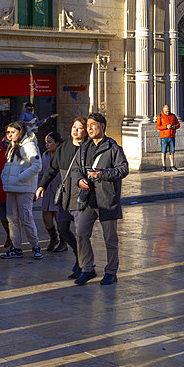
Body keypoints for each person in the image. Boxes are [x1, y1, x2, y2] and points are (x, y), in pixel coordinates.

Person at [70, 112, 129, 287]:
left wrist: (102, 174)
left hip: (107, 201)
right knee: (81, 233)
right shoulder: (84, 147)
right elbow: (75, 169)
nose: (89, 128)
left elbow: (123, 169)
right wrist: (79, 180)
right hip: (88, 199)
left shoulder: (112, 147)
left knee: (110, 239)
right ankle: (87, 269)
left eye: (93, 124)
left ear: (102, 126)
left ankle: (111, 272)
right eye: (87, 125)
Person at [36, 117, 87, 279]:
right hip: (65, 195)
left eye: (79, 128)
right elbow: (52, 168)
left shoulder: (88, 149)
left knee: (81, 233)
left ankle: (83, 264)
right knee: (63, 229)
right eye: (74, 126)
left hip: (81, 196)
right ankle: (78, 254)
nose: (75, 130)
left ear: (85, 131)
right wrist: (42, 185)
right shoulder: (64, 147)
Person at [0, 120, 43, 260]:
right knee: (12, 218)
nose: (10, 135)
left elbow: (36, 165)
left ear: (21, 132)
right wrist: (5, 177)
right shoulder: (12, 146)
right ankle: (16, 247)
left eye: (13, 132)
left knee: (26, 217)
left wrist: (20, 177)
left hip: (24, 188)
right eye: (8, 132)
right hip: (11, 187)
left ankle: (35, 245)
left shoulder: (29, 145)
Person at [38, 131, 63, 251]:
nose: (47, 145)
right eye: (46, 143)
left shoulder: (63, 155)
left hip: (60, 192)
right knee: (47, 220)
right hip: (48, 192)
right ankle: (53, 238)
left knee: (60, 219)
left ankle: (63, 241)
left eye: (50, 142)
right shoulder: (45, 155)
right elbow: (42, 173)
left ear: (57, 143)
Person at [155, 105, 180, 172]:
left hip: (172, 136)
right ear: (163, 110)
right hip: (164, 137)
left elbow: (178, 124)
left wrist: (174, 127)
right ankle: (164, 166)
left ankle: (172, 165)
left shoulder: (173, 116)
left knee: (172, 152)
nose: (167, 112)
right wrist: (166, 126)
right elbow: (157, 127)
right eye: (166, 111)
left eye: (168, 111)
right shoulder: (160, 116)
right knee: (164, 152)